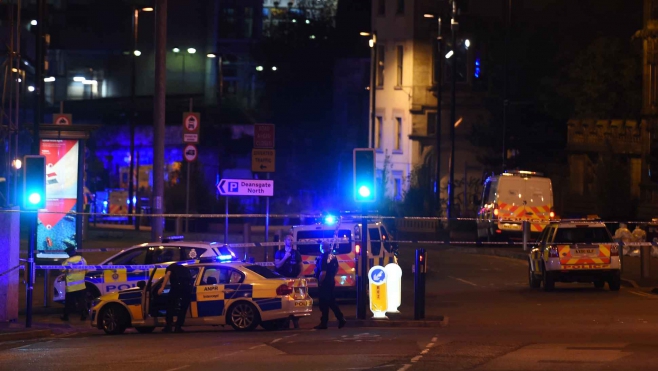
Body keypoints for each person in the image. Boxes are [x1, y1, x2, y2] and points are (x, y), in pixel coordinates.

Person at [313, 240, 346, 330]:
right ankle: (340, 318)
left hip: (324, 283)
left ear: (322, 247)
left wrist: (320, 281)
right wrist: (331, 276)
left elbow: (323, 272)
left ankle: (324, 323)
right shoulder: (333, 256)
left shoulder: (323, 257)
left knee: (324, 303)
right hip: (331, 281)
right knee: (331, 302)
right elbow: (337, 268)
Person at [274, 234, 303, 329]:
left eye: (291, 240)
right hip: (283, 280)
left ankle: (296, 322)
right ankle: (285, 322)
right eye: (288, 239)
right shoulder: (279, 252)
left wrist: (299, 276)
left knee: (295, 301)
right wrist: (285, 257)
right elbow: (277, 265)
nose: (290, 241)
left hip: (294, 280)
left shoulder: (296, 253)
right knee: (285, 301)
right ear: (284, 241)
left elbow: (300, 265)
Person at [157, 258, 193, 333]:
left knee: (170, 307)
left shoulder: (171, 268)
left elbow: (167, 277)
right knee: (182, 309)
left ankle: (168, 326)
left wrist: (162, 288)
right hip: (186, 290)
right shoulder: (185, 269)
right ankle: (178, 327)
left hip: (176, 289)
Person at [60, 246, 88, 321]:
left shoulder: (67, 261)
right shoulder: (82, 259)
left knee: (68, 303)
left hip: (71, 287)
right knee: (82, 302)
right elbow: (86, 270)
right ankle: (83, 315)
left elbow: (61, 269)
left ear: (69, 253)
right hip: (81, 286)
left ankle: (66, 316)